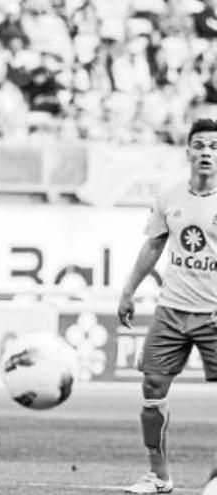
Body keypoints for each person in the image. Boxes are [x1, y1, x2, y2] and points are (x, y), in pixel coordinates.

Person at [118, 118, 217, 495]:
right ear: (188, 151)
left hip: (214, 311)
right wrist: (128, 291)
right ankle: (159, 476)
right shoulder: (169, 196)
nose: (207, 152)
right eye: (201, 145)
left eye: (214, 146)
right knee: (152, 386)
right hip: (172, 309)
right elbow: (154, 245)